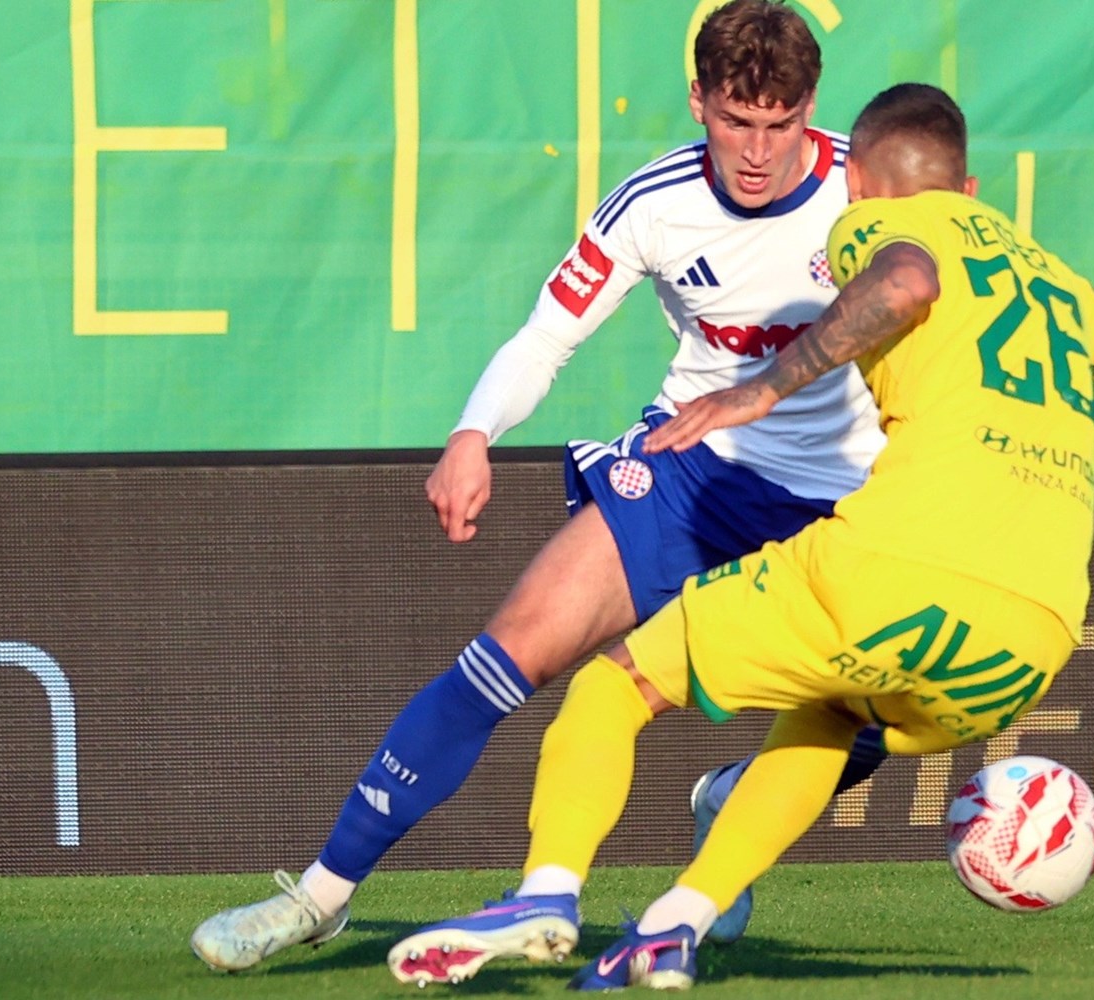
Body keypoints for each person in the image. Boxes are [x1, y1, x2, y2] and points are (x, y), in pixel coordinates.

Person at [398, 81, 1094, 992]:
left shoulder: (874, 223)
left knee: (619, 685)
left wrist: (762, 387)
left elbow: (909, 282)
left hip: (891, 571)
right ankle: (676, 925)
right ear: (969, 188)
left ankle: (546, 896)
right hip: (1031, 645)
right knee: (832, 718)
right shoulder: (1058, 279)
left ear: (861, 186)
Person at [190, 0, 897, 976]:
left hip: (844, 504)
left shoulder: (869, 197)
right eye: (736, 120)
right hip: (694, 474)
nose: (757, 151)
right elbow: (546, 336)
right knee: (508, 651)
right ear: (698, 100)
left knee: (888, 715)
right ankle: (319, 896)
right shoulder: (651, 203)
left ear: (811, 108)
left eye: (780, 125)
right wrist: (474, 434)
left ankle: (727, 812)